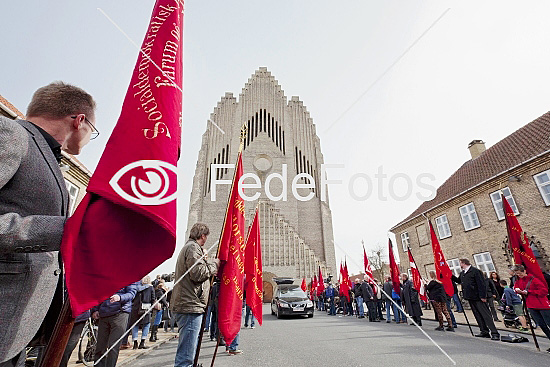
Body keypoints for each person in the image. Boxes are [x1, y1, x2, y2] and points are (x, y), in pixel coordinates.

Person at [0, 82, 97, 367]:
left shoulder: (47, 156)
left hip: (20, 326)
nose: (92, 138)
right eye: (94, 130)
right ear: (80, 120)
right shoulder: (12, 134)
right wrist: (68, 230)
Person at [171, 223, 220, 367]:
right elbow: (198, 273)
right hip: (190, 306)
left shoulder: (191, 247)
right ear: (203, 236)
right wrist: (214, 264)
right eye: (206, 236)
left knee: (188, 352)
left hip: (189, 304)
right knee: (186, 356)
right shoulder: (192, 248)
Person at [452, 258, 500, 340]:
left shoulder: (475, 271)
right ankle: (484, 331)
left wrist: (483, 296)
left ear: (463, 263)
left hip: (478, 297)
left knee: (486, 315)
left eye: (460, 263)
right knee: (477, 315)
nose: (459, 265)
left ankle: (494, 333)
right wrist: (449, 275)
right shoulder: (463, 273)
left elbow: (481, 284)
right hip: (470, 297)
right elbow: (459, 280)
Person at [92, 283, 138, 367]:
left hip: (120, 313)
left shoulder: (128, 275)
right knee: (100, 346)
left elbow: (132, 293)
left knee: (113, 346)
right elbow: (98, 293)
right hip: (104, 313)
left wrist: (120, 297)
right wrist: (95, 309)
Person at [513, 264, 550, 352]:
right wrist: (517, 290)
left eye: (520, 273)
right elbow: (515, 287)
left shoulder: (533, 279)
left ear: (524, 271)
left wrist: (529, 291)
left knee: (549, 323)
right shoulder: (519, 280)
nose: (519, 275)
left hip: (542, 305)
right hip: (531, 305)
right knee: (542, 325)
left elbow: (544, 291)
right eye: (517, 274)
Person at [129, 276, 156, 349]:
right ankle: (142, 342)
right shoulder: (151, 288)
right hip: (146, 308)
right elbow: (153, 299)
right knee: (146, 325)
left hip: (135, 308)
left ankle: (135, 343)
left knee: (135, 325)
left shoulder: (135, 287)